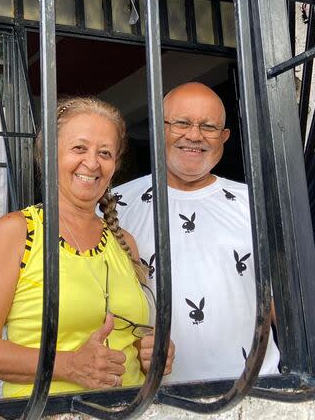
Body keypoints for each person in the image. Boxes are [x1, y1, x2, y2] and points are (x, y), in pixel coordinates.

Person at [0, 97, 174, 397]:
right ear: (49, 154)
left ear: (115, 166)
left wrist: (149, 352)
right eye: (79, 148)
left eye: (105, 153)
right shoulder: (18, 231)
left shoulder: (124, 241)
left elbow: (129, 337)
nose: (92, 162)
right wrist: (69, 365)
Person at [113, 82, 280, 383]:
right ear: (157, 128)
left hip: (259, 389)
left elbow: (287, 304)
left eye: (209, 126)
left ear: (224, 136)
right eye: (181, 122)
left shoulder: (256, 203)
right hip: (156, 398)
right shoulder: (114, 207)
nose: (194, 135)